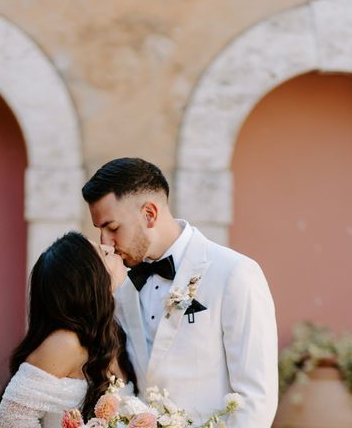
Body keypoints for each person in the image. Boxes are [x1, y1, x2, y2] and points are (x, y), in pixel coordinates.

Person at [82, 157, 278, 427]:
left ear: (149, 214)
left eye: (112, 227)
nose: (105, 242)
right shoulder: (123, 287)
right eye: (100, 230)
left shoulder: (234, 273)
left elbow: (257, 398)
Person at [0, 232, 137, 428]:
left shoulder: (113, 331)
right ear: (87, 280)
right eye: (102, 254)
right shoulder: (66, 342)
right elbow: (9, 420)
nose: (111, 249)